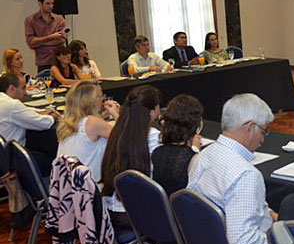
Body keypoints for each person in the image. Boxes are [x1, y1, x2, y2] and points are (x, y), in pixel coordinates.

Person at [187, 93, 275, 244]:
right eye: (263, 132)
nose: (263, 139)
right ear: (249, 127)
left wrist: (268, 212)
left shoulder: (203, 155)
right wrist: (281, 239)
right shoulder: (245, 175)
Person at [100, 85, 162, 230]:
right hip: (135, 215)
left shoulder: (116, 131)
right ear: (153, 112)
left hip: (109, 209)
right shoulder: (152, 136)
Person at [56, 81, 120, 181]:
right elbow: (125, 136)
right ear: (90, 101)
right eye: (100, 96)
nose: (102, 98)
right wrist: (116, 114)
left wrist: (103, 116)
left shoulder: (67, 121)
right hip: (90, 188)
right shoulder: (93, 122)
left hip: (67, 185)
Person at [0, 73, 59, 173]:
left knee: (46, 139)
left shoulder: (4, 101)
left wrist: (40, 112)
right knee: (52, 152)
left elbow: (24, 110)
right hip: (13, 156)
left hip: (4, 152)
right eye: (23, 88)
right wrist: (52, 117)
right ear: (11, 88)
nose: (26, 92)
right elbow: (43, 123)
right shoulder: (12, 105)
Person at [151, 95, 202, 195]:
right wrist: (195, 149)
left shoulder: (156, 152)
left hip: (162, 207)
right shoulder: (193, 159)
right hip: (182, 209)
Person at [24, 0, 67, 72]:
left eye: (52, 3)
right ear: (40, 4)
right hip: (43, 62)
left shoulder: (59, 19)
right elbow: (31, 42)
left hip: (59, 61)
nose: (50, 6)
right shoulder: (30, 20)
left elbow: (61, 40)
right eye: (47, 3)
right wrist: (51, 37)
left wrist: (39, 42)